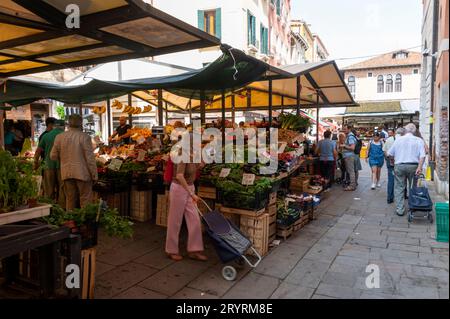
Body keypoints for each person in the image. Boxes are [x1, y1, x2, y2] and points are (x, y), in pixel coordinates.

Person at [165, 143, 207, 262]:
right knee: (175, 221)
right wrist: (191, 193)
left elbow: (198, 167)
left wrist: (205, 159)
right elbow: (179, 175)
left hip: (190, 187)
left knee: (195, 220)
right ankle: (171, 250)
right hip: (179, 189)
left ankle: (194, 250)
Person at [50, 115, 98, 211]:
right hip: (82, 173)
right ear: (81, 123)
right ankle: (84, 222)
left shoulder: (59, 137)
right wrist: (94, 174)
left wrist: (63, 158)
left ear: (68, 123)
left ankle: (70, 223)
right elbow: (90, 158)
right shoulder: (85, 137)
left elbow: (52, 156)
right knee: (85, 201)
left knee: (70, 200)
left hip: (66, 172)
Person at [387, 123, 426, 216]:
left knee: (399, 187)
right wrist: (420, 167)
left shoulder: (398, 140)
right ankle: (413, 206)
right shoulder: (419, 140)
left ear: (405, 130)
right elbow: (422, 155)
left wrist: (393, 159)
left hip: (399, 165)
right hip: (414, 166)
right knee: (413, 187)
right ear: (414, 131)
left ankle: (400, 209)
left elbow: (389, 154)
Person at [34, 120, 65, 206]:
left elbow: (38, 151)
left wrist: (35, 163)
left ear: (54, 126)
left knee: (49, 190)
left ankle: (49, 210)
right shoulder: (65, 136)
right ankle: (61, 209)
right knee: (62, 190)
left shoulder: (46, 136)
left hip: (48, 165)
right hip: (62, 166)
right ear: (63, 126)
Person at [340, 124, 357, 191]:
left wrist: (344, 146)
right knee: (350, 171)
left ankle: (352, 186)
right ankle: (352, 184)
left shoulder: (350, 137)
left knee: (351, 171)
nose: (344, 130)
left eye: (345, 129)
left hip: (349, 156)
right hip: (348, 156)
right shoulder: (349, 136)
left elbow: (352, 148)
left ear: (349, 129)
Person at [383, 128, 397, 203]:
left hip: (390, 162)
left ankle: (390, 198)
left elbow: (384, 151)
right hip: (399, 163)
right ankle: (402, 196)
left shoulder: (388, 140)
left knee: (391, 179)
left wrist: (388, 158)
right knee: (401, 181)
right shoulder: (401, 139)